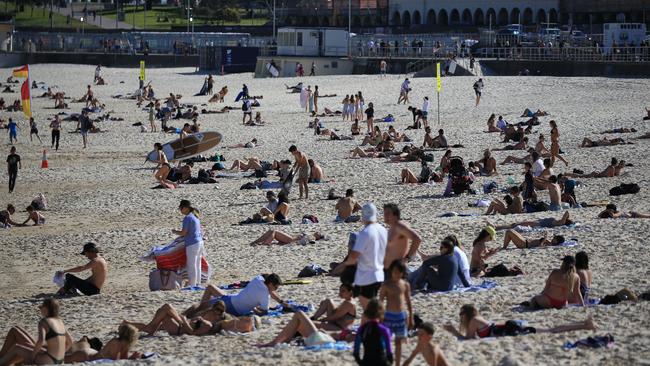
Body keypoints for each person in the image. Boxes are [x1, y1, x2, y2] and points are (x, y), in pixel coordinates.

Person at [443, 304, 596, 339]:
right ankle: (584, 325)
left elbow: (469, 340)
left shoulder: (474, 320)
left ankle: (585, 325)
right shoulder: (476, 319)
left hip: (511, 329)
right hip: (510, 326)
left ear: (465, 314)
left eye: (460, 314)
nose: (460, 317)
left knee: (551, 330)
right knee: (551, 329)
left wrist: (453, 331)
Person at [342, 203, 388, 309]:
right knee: (373, 305)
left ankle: (376, 324)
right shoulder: (383, 230)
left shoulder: (365, 233)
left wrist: (347, 266)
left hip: (366, 276)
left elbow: (354, 256)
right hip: (380, 273)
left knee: (369, 309)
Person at [0, 299, 70, 365]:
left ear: (45, 310)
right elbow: (69, 342)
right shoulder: (60, 322)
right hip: (60, 360)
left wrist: (33, 355)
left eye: (41, 309)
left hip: (48, 359)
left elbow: (41, 341)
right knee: (23, 340)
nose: (40, 311)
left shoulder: (44, 322)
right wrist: (60, 353)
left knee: (17, 348)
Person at [185, 273, 286, 317]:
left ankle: (185, 314)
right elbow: (264, 312)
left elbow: (269, 286)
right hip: (231, 305)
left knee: (205, 301)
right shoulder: (264, 295)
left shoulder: (258, 279)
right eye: (276, 287)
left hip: (232, 299)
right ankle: (186, 316)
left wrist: (281, 302)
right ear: (270, 284)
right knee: (203, 307)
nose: (276, 290)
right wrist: (254, 309)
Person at [380, 260, 413, 366]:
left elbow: (408, 302)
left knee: (399, 342)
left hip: (401, 316)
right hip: (388, 316)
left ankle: (398, 364)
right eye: (395, 272)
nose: (397, 274)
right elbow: (380, 301)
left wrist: (411, 317)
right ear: (391, 272)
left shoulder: (405, 285)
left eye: (399, 272)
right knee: (386, 341)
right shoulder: (386, 285)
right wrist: (380, 316)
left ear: (403, 273)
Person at [256, 310, 335, 347]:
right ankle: (283, 341)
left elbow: (344, 336)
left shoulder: (347, 304)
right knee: (299, 323)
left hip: (324, 340)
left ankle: (273, 343)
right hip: (324, 339)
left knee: (299, 313)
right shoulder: (345, 329)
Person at [172, 200, 203, 288]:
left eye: (180, 208)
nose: (180, 210)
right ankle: (198, 283)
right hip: (200, 242)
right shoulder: (195, 216)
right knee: (198, 264)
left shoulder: (187, 218)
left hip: (192, 243)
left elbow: (184, 233)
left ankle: (193, 285)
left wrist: (175, 232)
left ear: (185, 208)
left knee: (191, 265)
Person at [353, 299, 393, 366]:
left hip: (367, 361)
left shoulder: (361, 329)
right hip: (381, 361)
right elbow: (389, 351)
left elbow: (356, 352)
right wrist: (389, 362)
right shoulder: (384, 330)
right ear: (381, 312)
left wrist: (361, 362)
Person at [383, 203, 421, 268]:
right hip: (387, 269)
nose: (385, 216)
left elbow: (417, 239)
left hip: (396, 270)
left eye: (388, 213)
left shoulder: (399, 227)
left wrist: (408, 257)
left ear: (395, 216)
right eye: (384, 213)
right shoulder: (393, 227)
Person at [249, 230, 326, 246]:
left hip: (291, 240)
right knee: (271, 231)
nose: (318, 232)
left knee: (274, 231)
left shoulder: (313, 238)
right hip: (291, 238)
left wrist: (295, 242)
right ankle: (256, 241)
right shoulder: (311, 235)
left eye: (319, 233)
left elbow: (307, 242)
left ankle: (266, 243)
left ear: (319, 237)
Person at [501, 230, 566, 249]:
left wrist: (544, 239)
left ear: (556, 241)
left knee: (509, 231)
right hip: (525, 241)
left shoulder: (550, 245)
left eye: (555, 238)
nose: (553, 238)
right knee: (511, 231)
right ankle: (504, 246)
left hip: (524, 244)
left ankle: (504, 247)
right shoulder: (550, 243)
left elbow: (540, 247)